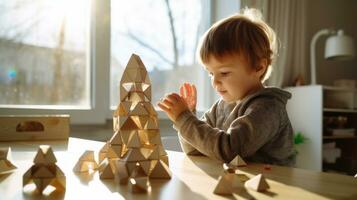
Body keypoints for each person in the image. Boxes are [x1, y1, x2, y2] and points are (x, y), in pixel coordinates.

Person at [157, 8, 295, 166]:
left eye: (224, 73)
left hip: (275, 185)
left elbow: (230, 150)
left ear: (258, 67)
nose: (215, 82)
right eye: (210, 73)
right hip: (239, 183)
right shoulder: (220, 107)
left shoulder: (268, 108)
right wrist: (189, 116)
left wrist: (184, 118)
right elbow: (195, 150)